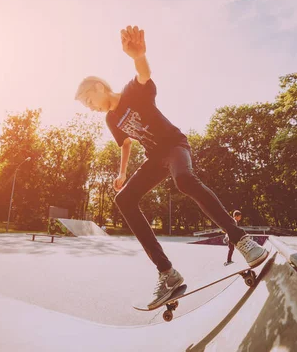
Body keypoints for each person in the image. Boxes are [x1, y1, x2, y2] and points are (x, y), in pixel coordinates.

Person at [74, 25, 268, 309]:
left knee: (185, 180)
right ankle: (167, 273)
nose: (91, 108)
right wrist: (122, 172)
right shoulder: (111, 120)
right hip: (155, 158)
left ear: (99, 87)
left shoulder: (131, 92)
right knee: (124, 199)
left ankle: (241, 239)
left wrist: (138, 55)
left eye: (90, 101)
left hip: (175, 145)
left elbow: (144, 75)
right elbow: (126, 143)